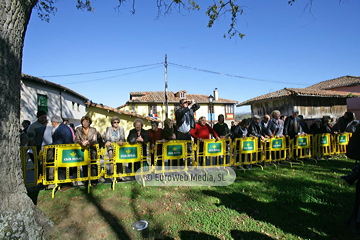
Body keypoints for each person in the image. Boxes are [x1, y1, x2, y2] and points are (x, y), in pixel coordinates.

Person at [75, 116, 98, 186]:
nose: (85, 123)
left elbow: (95, 140)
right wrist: (81, 142)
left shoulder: (93, 129)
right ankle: (86, 180)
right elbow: (77, 139)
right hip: (83, 149)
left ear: (89, 122)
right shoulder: (78, 129)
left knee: (93, 164)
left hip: (92, 149)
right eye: (83, 121)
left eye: (87, 122)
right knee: (84, 165)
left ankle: (94, 180)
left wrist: (88, 142)